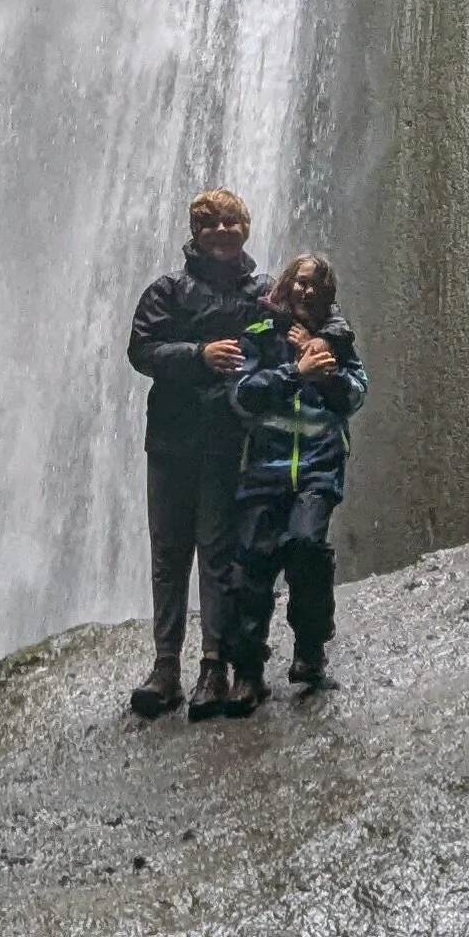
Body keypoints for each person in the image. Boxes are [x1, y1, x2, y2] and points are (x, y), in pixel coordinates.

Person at [125, 187, 264, 720]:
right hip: (170, 440)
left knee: (218, 549)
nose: (223, 231)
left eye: (232, 223)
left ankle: (214, 664)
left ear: (245, 229)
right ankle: (165, 667)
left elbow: (294, 335)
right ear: (196, 233)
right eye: (212, 224)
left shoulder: (263, 293)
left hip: (228, 441)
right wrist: (199, 354)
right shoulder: (168, 290)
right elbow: (141, 349)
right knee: (169, 552)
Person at [220, 252, 367, 716]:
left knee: (308, 548)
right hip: (265, 470)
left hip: (319, 468)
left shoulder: (338, 344)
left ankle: (309, 652)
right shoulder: (260, 334)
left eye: (317, 288)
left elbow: (355, 395)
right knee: (254, 564)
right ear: (287, 285)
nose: (307, 292)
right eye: (301, 283)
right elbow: (242, 395)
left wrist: (324, 368)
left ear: (328, 296)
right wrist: (295, 371)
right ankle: (246, 672)